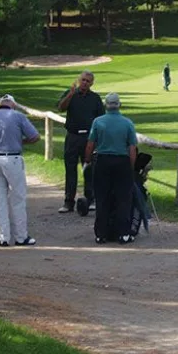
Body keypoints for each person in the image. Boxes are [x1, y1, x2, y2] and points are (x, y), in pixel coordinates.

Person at [0, 95, 40, 247]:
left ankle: (4, 237)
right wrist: (20, 141)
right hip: (12, 159)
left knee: (0, 200)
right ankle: (21, 236)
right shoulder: (18, 116)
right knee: (17, 198)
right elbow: (35, 136)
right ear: (13, 105)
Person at [85, 92, 138, 245]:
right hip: (121, 161)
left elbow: (90, 144)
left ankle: (101, 234)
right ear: (119, 104)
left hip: (102, 161)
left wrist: (88, 159)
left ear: (106, 105)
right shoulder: (127, 123)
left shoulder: (98, 122)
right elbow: (132, 148)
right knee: (123, 198)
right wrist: (131, 167)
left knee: (102, 198)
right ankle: (123, 234)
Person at [56, 71, 104, 213]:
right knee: (70, 170)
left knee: (89, 169)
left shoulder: (95, 98)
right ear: (79, 80)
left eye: (88, 81)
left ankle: (90, 199)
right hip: (73, 137)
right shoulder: (71, 94)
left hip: (89, 138)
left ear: (92, 83)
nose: (85, 83)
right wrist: (70, 95)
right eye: (83, 80)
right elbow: (60, 107)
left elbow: (100, 119)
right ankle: (68, 202)